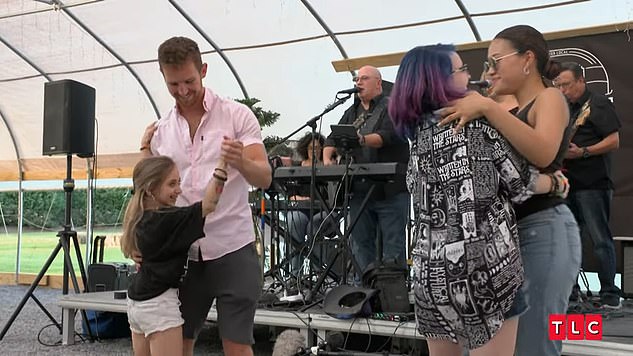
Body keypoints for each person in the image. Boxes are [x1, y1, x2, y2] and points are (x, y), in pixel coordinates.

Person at [388, 44, 567, 356]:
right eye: (461, 70)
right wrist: (554, 182)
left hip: (430, 275)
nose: (470, 75)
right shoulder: (479, 128)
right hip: (484, 271)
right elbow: (520, 183)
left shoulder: (416, 138)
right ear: (439, 80)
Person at [438, 25, 582, 356]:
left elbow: (544, 151)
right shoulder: (508, 109)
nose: (489, 71)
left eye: (495, 61)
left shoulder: (550, 98)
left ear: (527, 59)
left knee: (534, 343)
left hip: (541, 230)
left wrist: (488, 110)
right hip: (506, 238)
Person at [139, 36, 272, 356]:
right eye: (173, 84)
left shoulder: (237, 116)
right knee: (179, 344)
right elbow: (147, 194)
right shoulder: (161, 130)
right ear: (162, 76)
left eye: (189, 81)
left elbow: (264, 177)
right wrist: (142, 243)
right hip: (182, 254)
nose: (183, 90)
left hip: (233, 247)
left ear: (204, 70)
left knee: (237, 346)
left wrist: (239, 160)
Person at [121, 155, 225, 356]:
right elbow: (210, 203)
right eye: (172, 184)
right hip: (159, 306)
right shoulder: (168, 220)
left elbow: (144, 173)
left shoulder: (138, 216)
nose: (179, 190)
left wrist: (145, 148)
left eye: (179, 182)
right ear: (151, 189)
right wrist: (222, 166)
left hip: (136, 304)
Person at [322, 65, 410, 277]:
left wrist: (359, 139)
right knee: (360, 244)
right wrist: (327, 159)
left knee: (393, 246)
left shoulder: (393, 108)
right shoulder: (351, 111)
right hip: (360, 191)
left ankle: (392, 296)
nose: (358, 83)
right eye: (356, 79)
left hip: (391, 190)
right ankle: (363, 294)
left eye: (364, 78)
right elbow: (332, 138)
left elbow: (385, 137)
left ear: (378, 83)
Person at [554, 62, 622, 308]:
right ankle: (571, 292)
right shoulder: (565, 109)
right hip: (567, 184)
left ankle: (610, 295)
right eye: (558, 85)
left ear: (581, 81)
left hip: (594, 183)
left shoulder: (599, 103)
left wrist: (583, 151)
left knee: (600, 239)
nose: (562, 90)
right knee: (569, 241)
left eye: (566, 85)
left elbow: (614, 141)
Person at [284, 132, 332, 277]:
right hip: (301, 209)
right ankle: (295, 274)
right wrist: (300, 199)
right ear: (305, 149)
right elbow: (290, 194)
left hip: (324, 210)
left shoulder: (329, 167)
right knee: (295, 222)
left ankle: (319, 274)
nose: (314, 151)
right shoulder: (297, 166)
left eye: (318, 148)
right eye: (311, 148)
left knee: (314, 227)